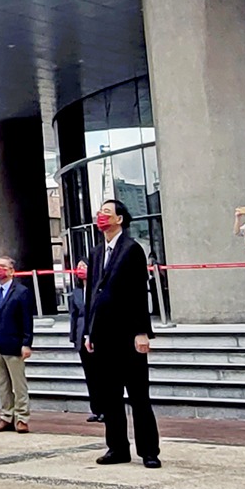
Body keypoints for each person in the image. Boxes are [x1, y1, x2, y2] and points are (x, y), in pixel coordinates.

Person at [84, 199, 160, 468]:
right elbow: (91, 293)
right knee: (110, 397)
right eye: (100, 212)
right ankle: (117, 448)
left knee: (139, 396)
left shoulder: (132, 249)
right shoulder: (95, 253)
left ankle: (149, 451)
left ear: (119, 219)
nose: (101, 217)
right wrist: (88, 332)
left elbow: (140, 293)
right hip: (102, 337)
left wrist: (142, 332)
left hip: (128, 336)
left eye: (107, 212)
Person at [0, 257, 34, 434]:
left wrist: (26, 343)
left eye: (3, 267)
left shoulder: (21, 291)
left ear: (12, 271)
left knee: (18, 384)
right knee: (1, 384)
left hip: (14, 344)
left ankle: (22, 418)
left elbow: (27, 320)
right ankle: (6, 416)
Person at [67, 260, 101, 423]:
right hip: (82, 336)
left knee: (102, 374)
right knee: (90, 376)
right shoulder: (77, 292)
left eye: (84, 266)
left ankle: (107, 410)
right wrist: (74, 337)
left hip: (98, 336)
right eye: (79, 267)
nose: (81, 269)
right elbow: (73, 316)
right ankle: (96, 409)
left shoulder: (98, 289)